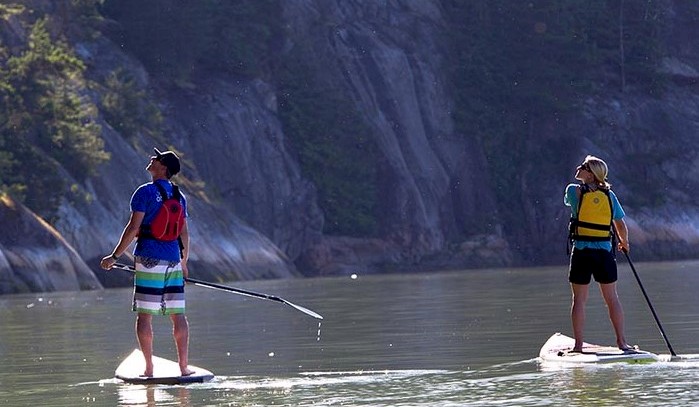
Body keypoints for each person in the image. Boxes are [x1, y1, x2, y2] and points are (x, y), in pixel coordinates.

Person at [100, 148, 193, 376]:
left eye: (157, 159)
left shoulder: (145, 192)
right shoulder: (179, 196)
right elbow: (184, 234)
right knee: (177, 314)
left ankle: (149, 368)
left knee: (145, 314)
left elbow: (133, 228)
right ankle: (183, 368)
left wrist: (114, 256)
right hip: (173, 260)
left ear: (163, 168)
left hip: (149, 258)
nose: (152, 159)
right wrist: (184, 261)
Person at [564, 155, 632, 352]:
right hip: (604, 252)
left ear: (592, 174)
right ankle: (622, 343)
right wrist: (624, 243)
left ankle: (578, 346)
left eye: (583, 166)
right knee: (612, 298)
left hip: (582, 252)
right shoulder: (610, 196)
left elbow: (571, 205)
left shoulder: (572, 191)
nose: (578, 167)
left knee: (579, 300)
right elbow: (620, 224)